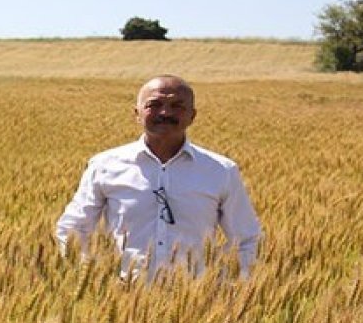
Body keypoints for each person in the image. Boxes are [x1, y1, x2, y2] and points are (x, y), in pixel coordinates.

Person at [55, 75, 262, 281]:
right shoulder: (104, 166)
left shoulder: (221, 171)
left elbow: (247, 239)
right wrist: (91, 278)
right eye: (154, 105)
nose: (165, 112)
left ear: (192, 115)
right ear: (137, 114)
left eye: (177, 106)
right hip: (123, 297)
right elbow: (73, 228)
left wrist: (224, 285)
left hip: (198, 300)